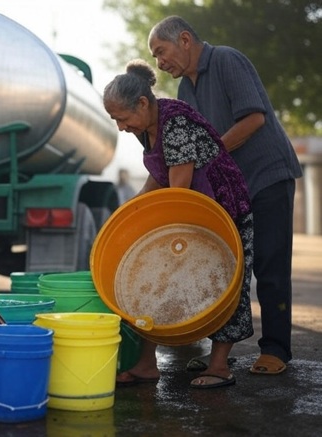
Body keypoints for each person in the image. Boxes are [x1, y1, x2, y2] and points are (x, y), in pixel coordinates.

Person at [148, 16, 302, 375]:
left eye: (161, 51)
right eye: (154, 57)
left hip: (268, 177)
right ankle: (220, 351)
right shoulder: (185, 89)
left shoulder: (227, 60)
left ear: (185, 40)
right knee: (225, 270)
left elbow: (253, 120)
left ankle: (276, 349)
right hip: (232, 189)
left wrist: (211, 154)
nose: (159, 62)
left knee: (269, 265)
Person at [103, 59, 254, 389]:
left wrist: (146, 225)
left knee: (226, 283)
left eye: (122, 118)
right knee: (158, 277)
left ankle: (219, 366)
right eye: (115, 119)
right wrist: (128, 213)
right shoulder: (147, 127)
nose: (120, 126)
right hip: (191, 212)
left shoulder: (176, 124)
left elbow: (178, 193)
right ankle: (146, 365)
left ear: (143, 103)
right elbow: (158, 179)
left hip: (223, 211)